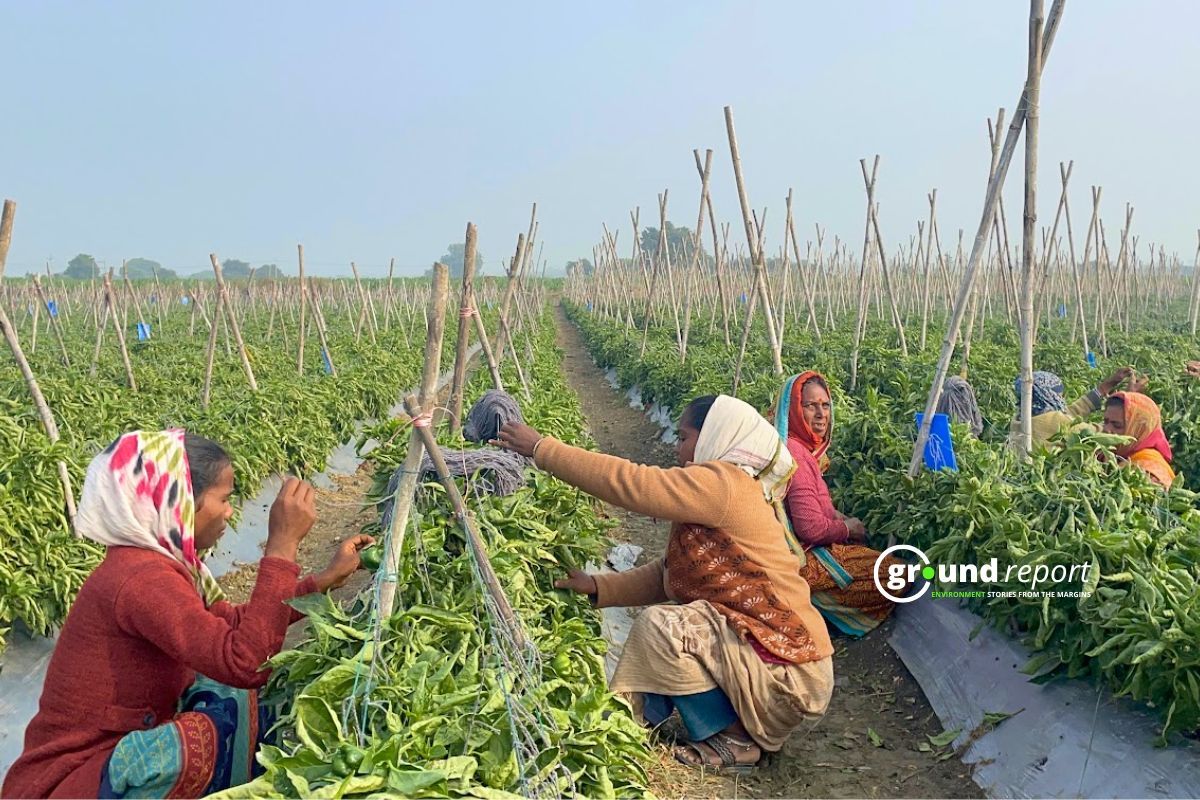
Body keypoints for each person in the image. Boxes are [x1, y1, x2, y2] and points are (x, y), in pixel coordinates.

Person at [2, 430, 373, 799]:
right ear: (178, 502)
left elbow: (231, 628)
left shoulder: (162, 565)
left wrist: (321, 581)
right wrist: (282, 545)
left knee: (232, 694)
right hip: (73, 777)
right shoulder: (140, 576)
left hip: (115, 750)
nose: (230, 511)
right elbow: (245, 661)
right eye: (224, 499)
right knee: (194, 743)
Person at [494, 395, 834, 773]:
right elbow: (673, 575)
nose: (678, 448)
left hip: (790, 673)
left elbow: (635, 484)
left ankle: (736, 740)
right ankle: (649, 719)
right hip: (780, 658)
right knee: (682, 623)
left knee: (663, 629)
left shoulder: (725, 484)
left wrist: (543, 450)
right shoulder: (731, 488)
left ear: (714, 438)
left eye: (685, 437)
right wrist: (598, 587)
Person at [774, 372, 901, 637]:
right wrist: (847, 529)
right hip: (802, 560)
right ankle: (819, 609)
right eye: (811, 406)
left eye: (825, 405)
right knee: (896, 574)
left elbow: (815, 505)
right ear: (795, 411)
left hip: (795, 552)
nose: (821, 414)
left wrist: (838, 517)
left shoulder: (801, 450)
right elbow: (810, 528)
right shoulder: (796, 454)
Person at [1008, 366, 1133, 448]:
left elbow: (1068, 413)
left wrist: (1106, 386)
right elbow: (1096, 433)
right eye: (1059, 395)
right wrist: (1129, 401)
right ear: (1048, 396)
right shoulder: (1054, 422)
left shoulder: (1022, 417)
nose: (1061, 399)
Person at [1101, 392, 1176, 488]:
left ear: (1139, 430)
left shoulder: (1150, 473)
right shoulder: (1110, 454)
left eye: (1117, 426)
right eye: (1105, 422)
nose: (1107, 429)